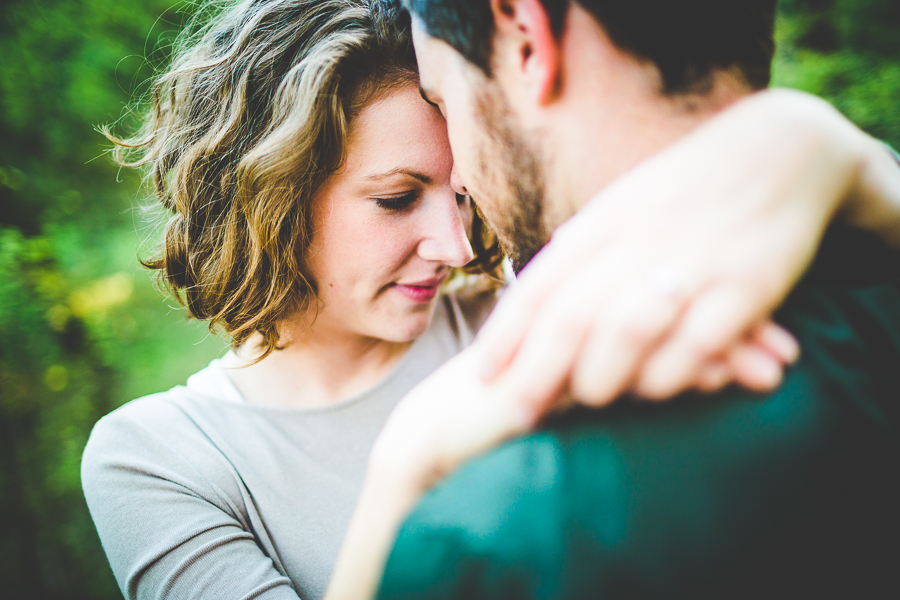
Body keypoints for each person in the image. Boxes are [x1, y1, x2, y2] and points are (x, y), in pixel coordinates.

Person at [82, 2, 798, 598]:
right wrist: (405, 475)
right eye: (396, 199)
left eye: (461, 195)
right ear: (265, 201)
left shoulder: (522, 312)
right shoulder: (159, 459)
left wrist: (823, 148)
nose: (456, 249)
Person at [346, 1, 900, 598]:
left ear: (527, 36)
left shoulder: (495, 532)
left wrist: (399, 473)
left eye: (443, 98)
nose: (458, 179)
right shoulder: (875, 264)